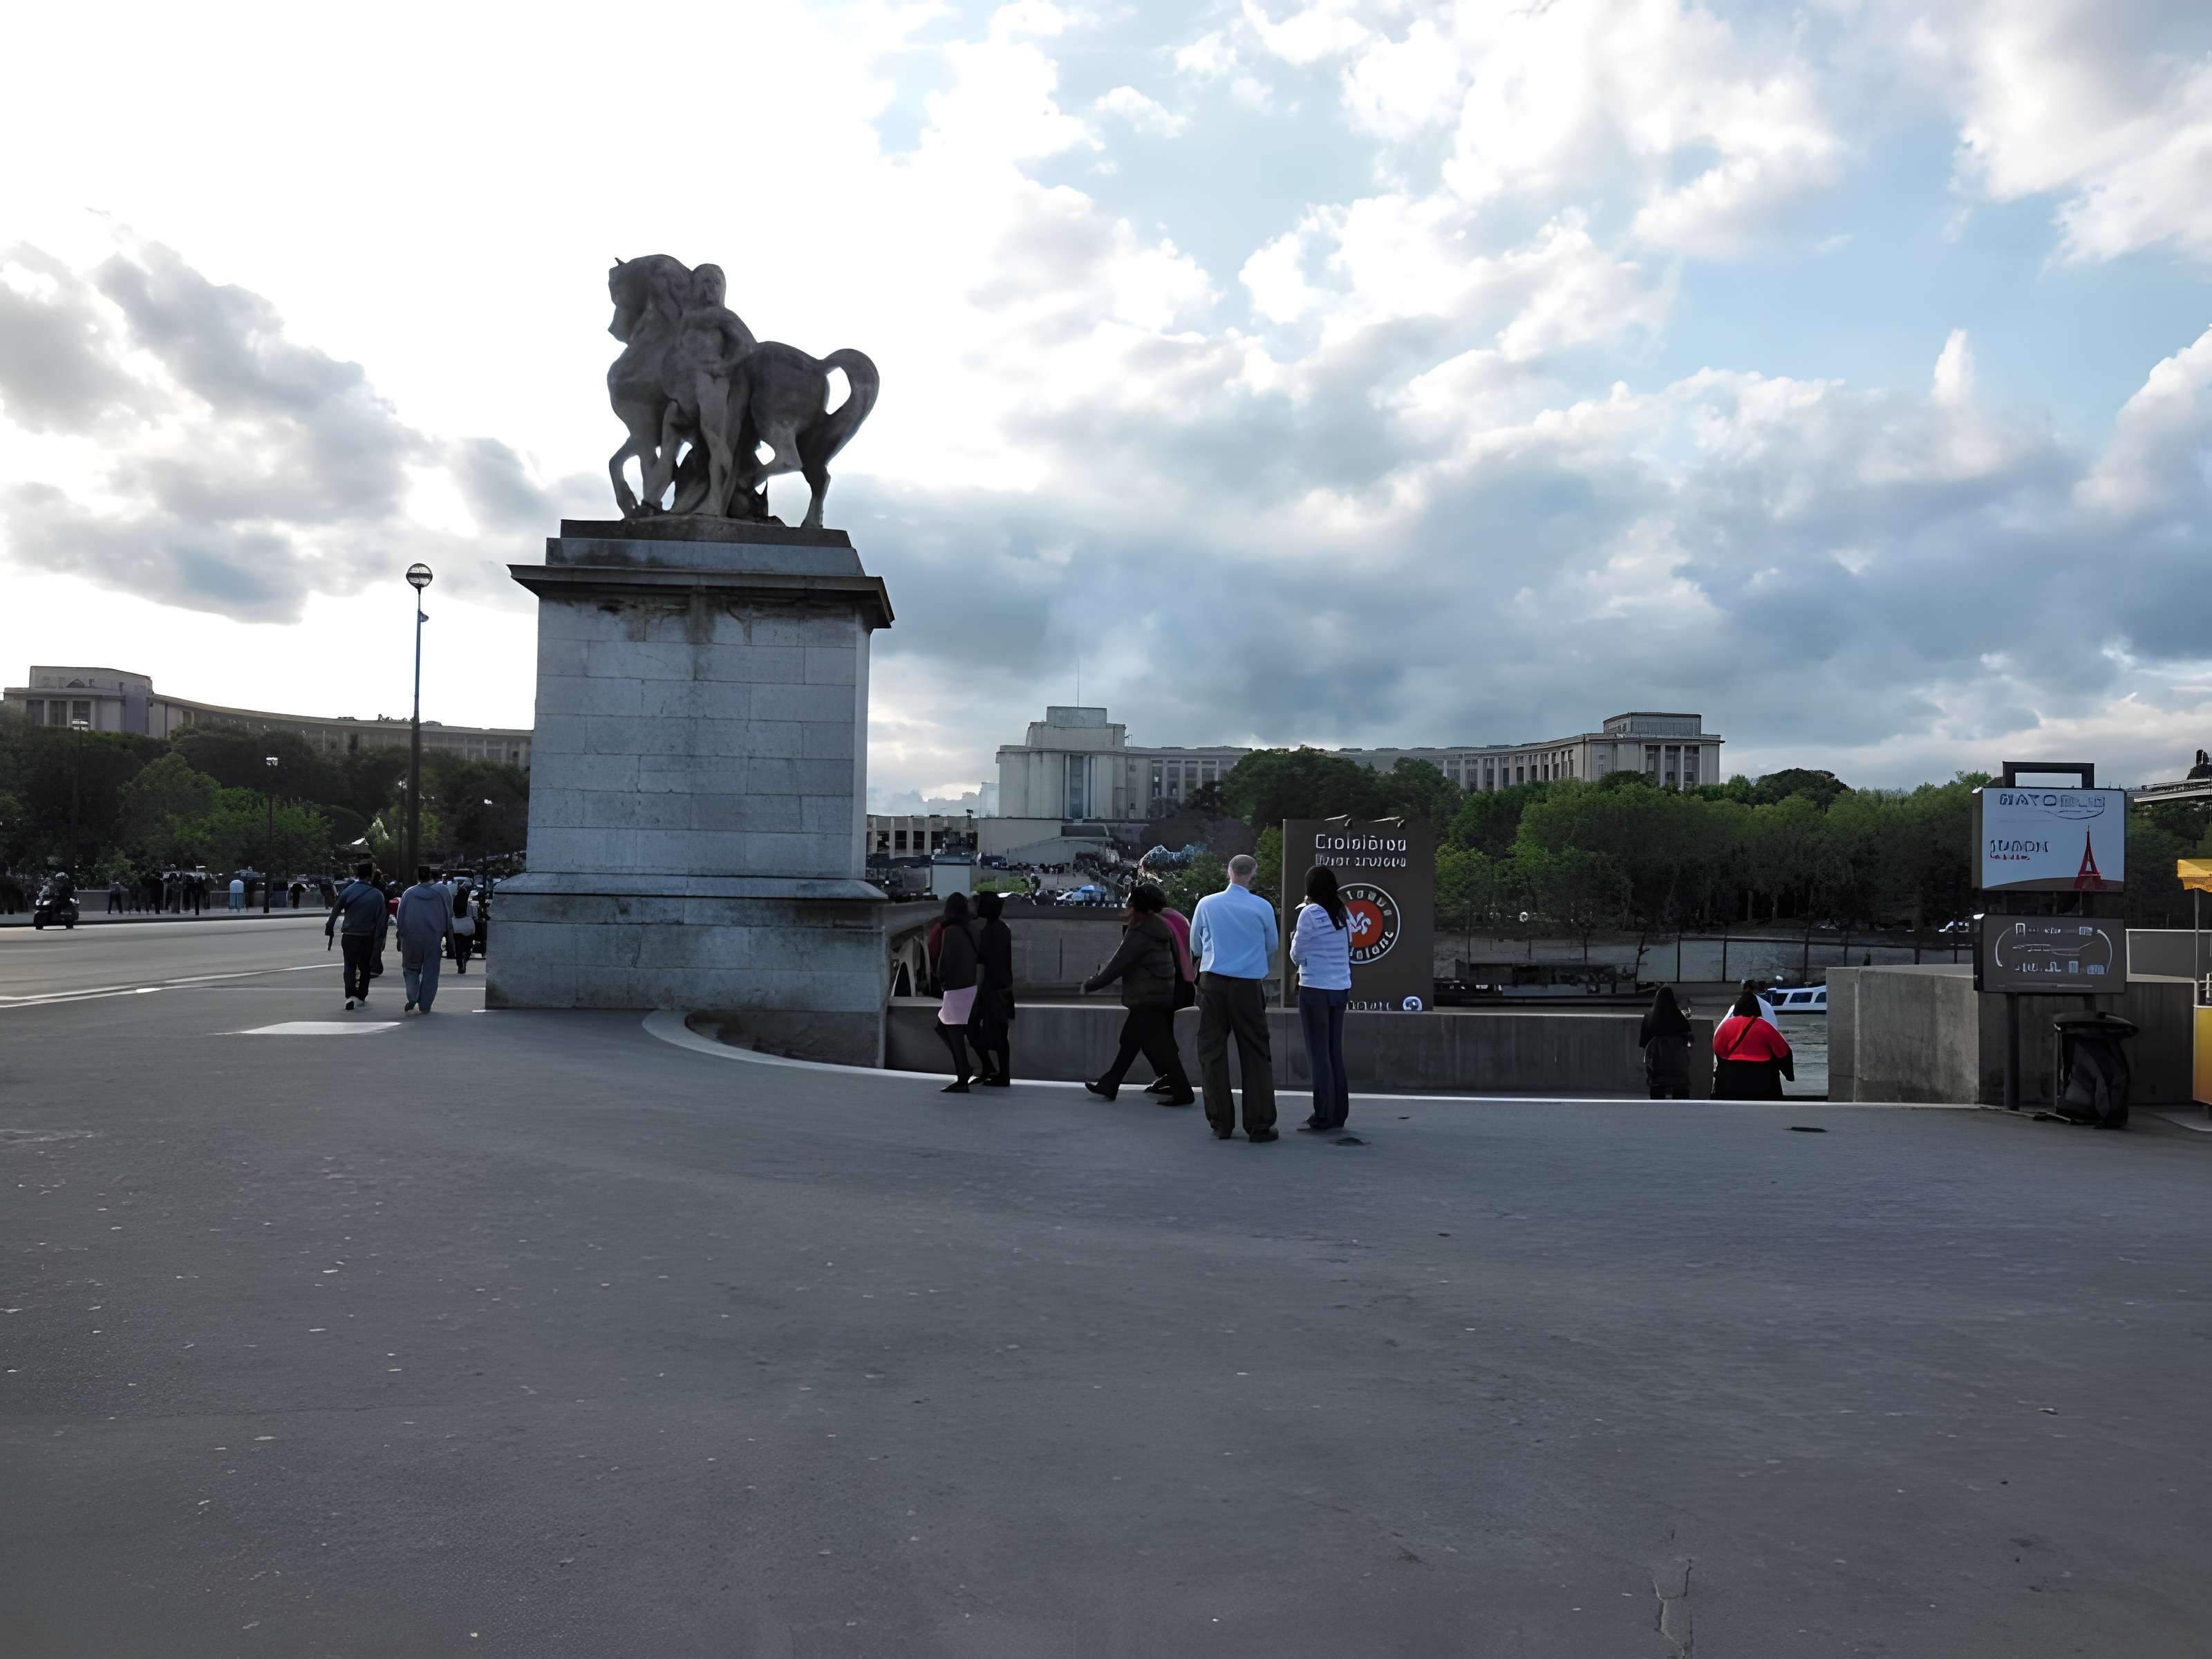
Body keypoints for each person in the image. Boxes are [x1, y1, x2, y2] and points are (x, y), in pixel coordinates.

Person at [1189, 853, 1280, 1142]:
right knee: (1255, 1052)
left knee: (1212, 1051)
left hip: (1213, 983)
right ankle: (1259, 1124)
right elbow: (1272, 945)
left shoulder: (1207, 904)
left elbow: (1195, 945)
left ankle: (1220, 1122)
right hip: (1248, 986)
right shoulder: (1262, 907)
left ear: (1228, 872)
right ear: (1253, 874)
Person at [1081, 883, 1195, 1105]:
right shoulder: (1162, 926)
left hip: (1147, 998)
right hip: (1160, 995)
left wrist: (1091, 985)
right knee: (1130, 1041)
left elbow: (1118, 964)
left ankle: (1183, 1092)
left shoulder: (1141, 931)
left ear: (1136, 905)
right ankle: (1110, 1083)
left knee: (1163, 1049)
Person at [1289, 865, 1353, 1133]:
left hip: (1315, 987)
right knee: (1333, 1051)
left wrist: (1302, 956)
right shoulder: (1342, 911)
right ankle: (1338, 1113)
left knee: (1318, 1054)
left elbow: (1296, 953)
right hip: (1340, 987)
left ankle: (1322, 1114)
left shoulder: (1309, 913)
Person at [1144, 898, 1199, 1097]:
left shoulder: (1158, 924)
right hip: (1185, 985)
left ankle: (1173, 1078)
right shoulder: (1179, 919)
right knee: (1157, 1033)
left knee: (1154, 1034)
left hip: (1168, 988)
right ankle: (1171, 1077)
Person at [931, 892, 982, 1092]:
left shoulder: (951, 931)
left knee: (952, 1033)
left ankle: (963, 1076)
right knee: (949, 1029)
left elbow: (946, 961)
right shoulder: (972, 929)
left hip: (955, 988)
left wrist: (941, 980)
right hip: (970, 986)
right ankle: (967, 1070)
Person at [325, 861, 390, 1010]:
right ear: (370, 875)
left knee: (349, 966)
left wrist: (330, 927)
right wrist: (380, 939)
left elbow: (336, 910)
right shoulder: (377, 895)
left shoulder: (347, 891)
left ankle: (350, 995)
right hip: (367, 937)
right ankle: (361, 995)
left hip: (349, 935)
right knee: (365, 967)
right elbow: (381, 921)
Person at [394, 865, 454, 1014]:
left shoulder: (409, 893)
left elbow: (400, 916)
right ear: (430, 876)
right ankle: (425, 1005)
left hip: (412, 936)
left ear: (417, 876)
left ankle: (412, 995)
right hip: (434, 936)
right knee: (431, 971)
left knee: (411, 968)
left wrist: (400, 934)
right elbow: (448, 914)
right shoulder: (439, 894)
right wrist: (448, 935)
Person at [1712, 988, 1793, 1099]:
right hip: (1762, 1079)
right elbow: (1784, 1052)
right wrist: (1789, 1075)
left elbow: (1718, 1049)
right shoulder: (1765, 1027)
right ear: (1757, 1009)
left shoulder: (1725, 1026)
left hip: (1729, 1079)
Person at [969, 890, 1015, 1086]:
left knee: (974, 1028)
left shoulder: (987, 932)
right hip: (1003, 989)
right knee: (1000, 1035)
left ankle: (995, 1070)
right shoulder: (1003, 929)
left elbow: (982, 965)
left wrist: (975, 995)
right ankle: (1001, 1072)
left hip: (991, 990)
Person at [1640, 985, 1694, 1100]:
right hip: (1678, 1068)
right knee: (1681, 1091)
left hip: (1657, 1067)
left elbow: (1643, 1043)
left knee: (1656, 1090)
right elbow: (1689, 1040)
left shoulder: (1649, 1018)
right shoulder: (1680, 1019)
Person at [448, 877, 478, 973]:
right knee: (468, 946)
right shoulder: (468, 903)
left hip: (457, 927)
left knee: (458, 948)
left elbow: (451, 913)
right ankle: (465, 958)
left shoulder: (454, 902)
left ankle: (460, 965)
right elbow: (474, 914)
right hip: (468, 928)